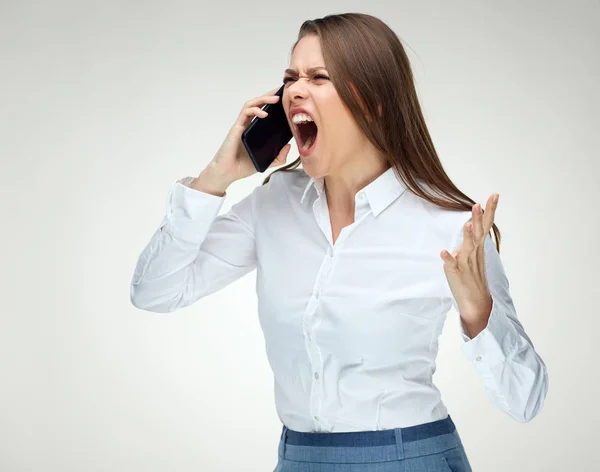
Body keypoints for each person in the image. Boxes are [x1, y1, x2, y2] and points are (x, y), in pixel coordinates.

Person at [130, 12, 548, 472]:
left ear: (373, 102)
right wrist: (216, 177)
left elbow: (524, 401)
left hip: (410, 459)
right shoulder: (272, 206)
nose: (294, 90)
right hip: (299, 459)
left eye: (319, 77)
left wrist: (478, 315)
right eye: (290, 78)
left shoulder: (451, 229)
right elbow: (154, 292)